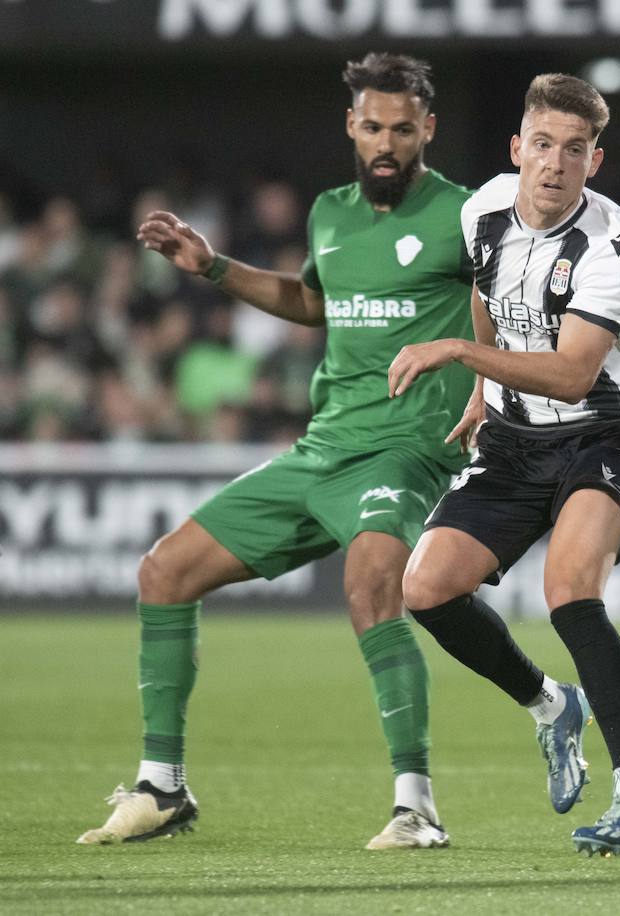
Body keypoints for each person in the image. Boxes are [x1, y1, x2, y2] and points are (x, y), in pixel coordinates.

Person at [78, 52, 513, 851]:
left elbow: (500, 305)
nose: (387, 143)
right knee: (164, 571)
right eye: (373, 127)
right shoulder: (330, 213)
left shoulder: (466, 213)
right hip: (322, 450)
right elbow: (314, 302)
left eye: (403, 130)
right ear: (352, 125)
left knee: (371, 582)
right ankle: (162, 786)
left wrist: (489, 385)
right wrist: (211, 266)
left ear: (429, 130)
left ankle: (417, 808)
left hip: (406, 449)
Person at [386, 73, 620, 856]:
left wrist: (459, 352)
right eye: (541, 144)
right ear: (518, 149)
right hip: (512, 438)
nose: (554, 163)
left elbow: (577, 372)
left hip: (602, 431)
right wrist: (482, 384)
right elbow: (487, 297)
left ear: (594, 161)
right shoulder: (483, 210)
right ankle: (551, 706)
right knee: (426, 588)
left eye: (573, 150)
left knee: (569, 588)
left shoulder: (610, 240)